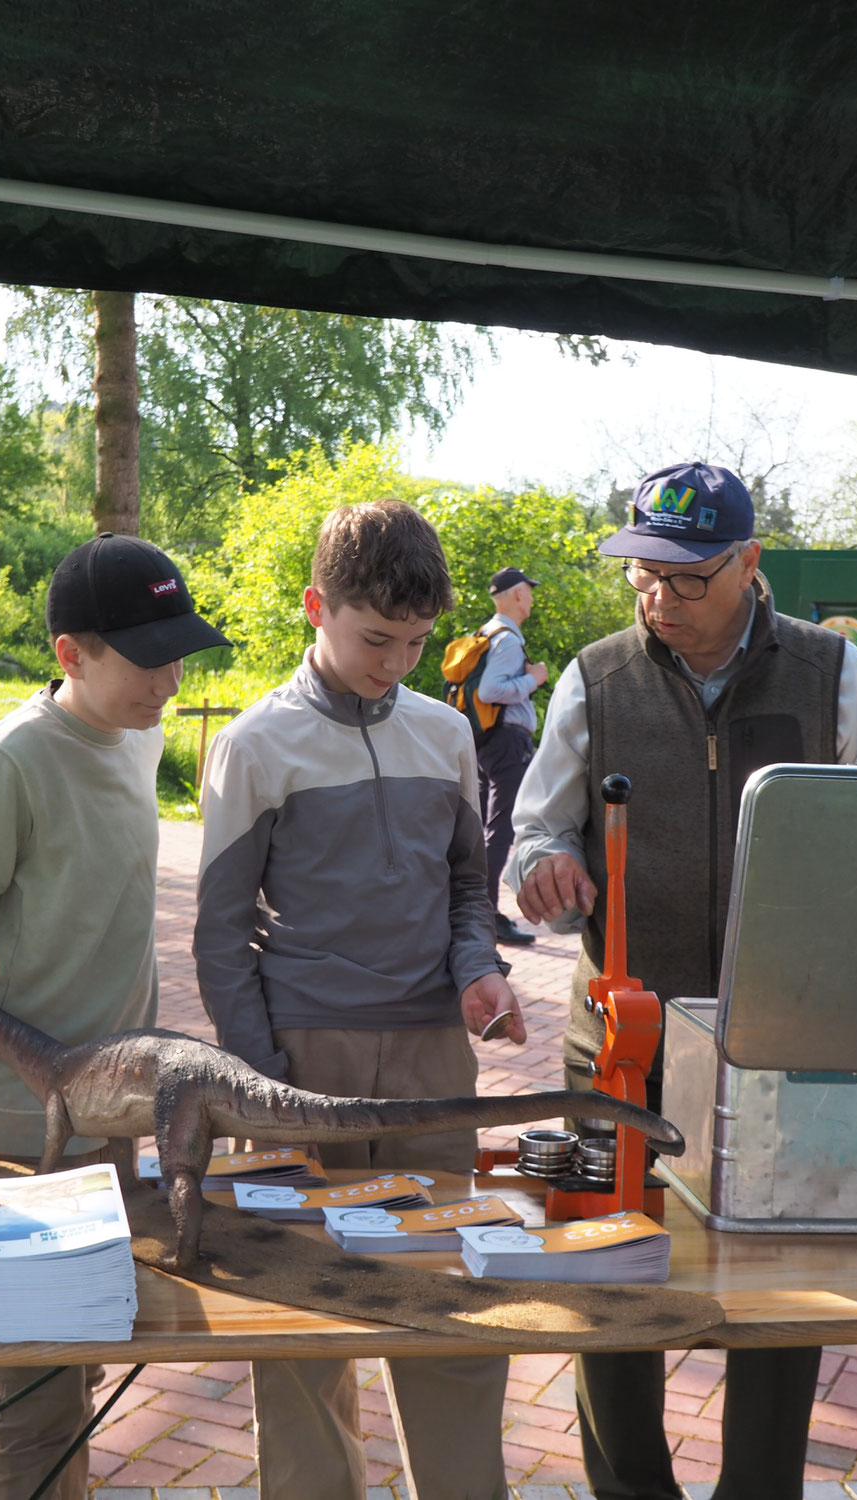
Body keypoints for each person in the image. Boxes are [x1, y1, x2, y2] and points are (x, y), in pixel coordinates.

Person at [509, 461, 857, 1500]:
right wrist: (541, 865)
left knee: (779, 1293)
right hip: (618, 1038)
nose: (657, 599)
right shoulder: (595, 677)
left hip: (779, 1041)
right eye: (641, 575)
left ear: (748, 564)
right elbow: (535, 824)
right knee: (602, 1275)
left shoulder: (831, 674)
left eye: (684, 579)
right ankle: (629, 1489)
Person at [192, 498, 527, 1500]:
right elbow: (219, 933)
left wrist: (478, 969)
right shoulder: (256, 743)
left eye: (417, 644)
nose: (395, 663)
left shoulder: (442, 735)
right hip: (301, 1066)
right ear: (315, 609)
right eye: (376, 638)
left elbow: (469, 889)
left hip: (433, 1066)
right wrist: (259, 1079)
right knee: (302, 1335)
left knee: (453, 1317)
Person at [0, 532, 229, 1500]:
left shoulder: (141, 735)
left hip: (116, 1126)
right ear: (69, 655)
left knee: (75, 1376)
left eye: (180, 651)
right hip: (16, 1138)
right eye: (147, 657)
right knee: (34, 1420)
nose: (170, 679)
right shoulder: (8, 764)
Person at [474, 566, 547, 946]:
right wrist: (533, 679)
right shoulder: (507, 640)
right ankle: (486, 915)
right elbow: (489, 691)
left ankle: (478, 911)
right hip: (506, 744)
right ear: (518, 594)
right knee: (500, 832)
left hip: (486, 742)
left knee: (489, 830)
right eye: (529, 592)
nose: (532, 599)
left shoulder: (486, 633)